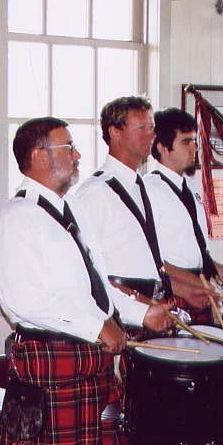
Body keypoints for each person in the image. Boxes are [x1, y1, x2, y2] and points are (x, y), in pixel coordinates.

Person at [0, 117, 145, 445]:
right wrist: (99, 327)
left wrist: (139, 314)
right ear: (39, 156)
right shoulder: (16, 218)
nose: (78, 156)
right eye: (68, 148)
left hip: (86, 367)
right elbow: (27, 300)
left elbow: (93, 286)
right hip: (52, 366)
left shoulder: (68, 213)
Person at [73, 96, 193, 326]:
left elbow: (146, 260)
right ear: (115, 132)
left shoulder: (142, 186)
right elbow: (87, 270)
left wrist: (185, 289)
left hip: (156, 302)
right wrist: (136, 306)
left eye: (152, 128)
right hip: (124, 313)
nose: (152, 135)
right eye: (142, 128)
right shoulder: (94, 193)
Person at [143, 107, 223, 325]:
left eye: (195, 141)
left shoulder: (190, 188)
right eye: (186, 142)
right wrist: (193, 284)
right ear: (162, 148)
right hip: (174, 294)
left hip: (199, 289)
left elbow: (200, 258)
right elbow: (149, 258)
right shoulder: (149, 190)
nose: (194, 148)